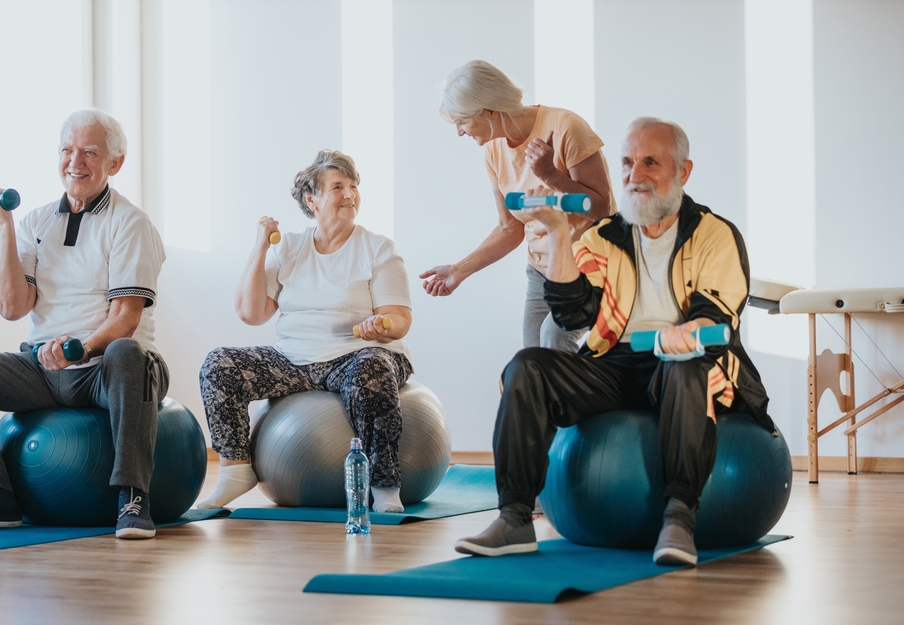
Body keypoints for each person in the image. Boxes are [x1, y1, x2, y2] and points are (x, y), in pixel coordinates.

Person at [454, 118, 775, 565]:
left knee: (684, 363)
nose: (634, 175)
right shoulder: (605, 236)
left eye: (650, 163)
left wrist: (686, 333)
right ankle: (515, 518)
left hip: (688, 359)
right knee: (527, 367)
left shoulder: (714, 234)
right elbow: (573, 314)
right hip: (617, 361)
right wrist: (560, 231)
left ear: (683, 172)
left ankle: (679, 520)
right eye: (626, 163)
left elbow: (718, 313)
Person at [0, 109, 168, 539]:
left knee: (126, 352)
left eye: (90, 152)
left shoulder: (131, 224)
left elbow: (126, 319)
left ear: (115, 164)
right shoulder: (36, 222)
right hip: (43, 368)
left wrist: (80, 348)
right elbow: (11, 307)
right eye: (67, 150)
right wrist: (4, 227)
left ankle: (133, 497)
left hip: (108, 371)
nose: (75, 161)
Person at [198, 150, 414, 512]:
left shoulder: (377, 248)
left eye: (353, 186)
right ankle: (235, 470)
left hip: (357, 355)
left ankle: (384, 485)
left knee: (371, 368)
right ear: (311, 200)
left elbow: (400, 318)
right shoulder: (290, 247)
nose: (349, 194)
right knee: (220, 365)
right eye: (337, 187)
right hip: (295, 358)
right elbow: (251, 314)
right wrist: (259, 246)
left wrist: (382, 325)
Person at [420, 60, 615, 351]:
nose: (460, 132)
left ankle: (581, 395)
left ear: (489, 110)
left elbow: (602, 208)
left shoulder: (566, 127)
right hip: (541, 271)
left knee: (554, 338)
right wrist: (459, 270)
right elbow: (509, 227)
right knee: (531, 359)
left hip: (592, 267)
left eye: (462, 120)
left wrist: (550, 175)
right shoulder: (493, 150)